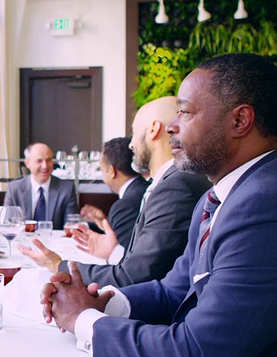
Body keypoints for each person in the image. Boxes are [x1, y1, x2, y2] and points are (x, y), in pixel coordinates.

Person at [42, 53, 277, 356]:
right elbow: (173, 291)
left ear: (240, 120)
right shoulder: (218, 196)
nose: (170, 127)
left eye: (185, 112)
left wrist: (82, 319)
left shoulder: (263, 203)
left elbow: (198, 348)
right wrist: (103, 302)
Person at [19, 96, 211, 287]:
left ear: (154, 130)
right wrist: (114, 252)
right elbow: (151, 266)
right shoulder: (175, 180)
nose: (131, 144)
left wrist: (57, 265)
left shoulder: (175, 187)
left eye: (135, 132)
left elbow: (135, 277)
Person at [80, 137, 149, 248]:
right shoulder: (145, 188)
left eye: (101, 170)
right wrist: (104, 223)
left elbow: (123, 253)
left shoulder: (124, 206)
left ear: (112, 171)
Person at [4, 142, 78, 229]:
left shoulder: (67, 189)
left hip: (54, 241)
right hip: (22, 241)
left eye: (49, 160)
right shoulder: (14, 189)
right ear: (27, 163)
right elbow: (6, 225)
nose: (45, 166)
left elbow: (71, 227)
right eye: (39, 161)